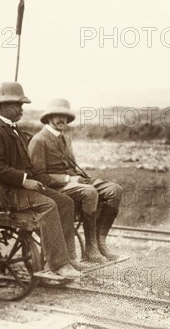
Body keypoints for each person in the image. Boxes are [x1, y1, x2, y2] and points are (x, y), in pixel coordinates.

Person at [0, 82, 83, 280]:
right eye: (17, 105)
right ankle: (58, 264)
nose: (21, 109)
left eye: (21, 105)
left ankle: (68, 257)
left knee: (66, 202)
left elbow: (26, 163)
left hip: (21, 188)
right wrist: (25, 180)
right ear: (2, 107)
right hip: (6, 193)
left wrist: (39, 179)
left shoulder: (13, 130)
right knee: (49, 205)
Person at [28, 98, 124, 262]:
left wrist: (77, 178)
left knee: (115, 190)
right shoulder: (39, 140)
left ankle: (100, 242)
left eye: (65, 116)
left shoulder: (65, 139)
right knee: (90, 192)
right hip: (54, 187)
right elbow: (39, 177)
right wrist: (68, 178)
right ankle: (90, 249)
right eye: (57, 115)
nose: (62, 119)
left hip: (74, 181)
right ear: (49, 118)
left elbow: (71, 166)